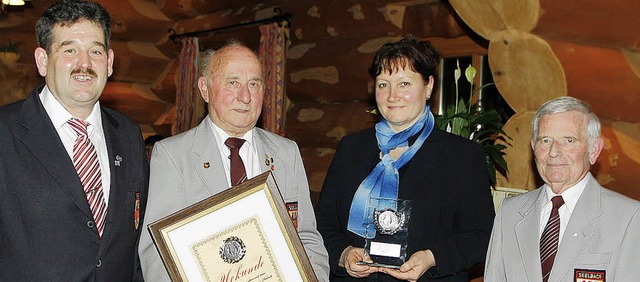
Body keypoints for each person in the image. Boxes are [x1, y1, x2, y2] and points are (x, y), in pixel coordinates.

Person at [138, 40, 330, 281]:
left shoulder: (286, 153)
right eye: (233, 83)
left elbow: (306, 237)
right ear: (205, 89)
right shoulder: (172, 156)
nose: (246, 97)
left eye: (254, 84)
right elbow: (157, 252)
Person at [315, 35, 496, 281]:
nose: (392, 95)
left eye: (404, 84)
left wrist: (432, 258)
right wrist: (343, 253)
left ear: (429, 86)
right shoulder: (351, 148)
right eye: (383, 84)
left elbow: (481, 235)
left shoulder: (462, 155)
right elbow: (323, 222)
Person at [0, 0, 149, 280]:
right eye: (70, 50)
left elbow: (131, 248)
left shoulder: (128, 134)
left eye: (96, 51)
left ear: (110, 61)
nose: (85, 63)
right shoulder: (4, 134)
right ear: (42, 61)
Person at [484, 96, 640, 281]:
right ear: (533, 147)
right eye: (545, 141)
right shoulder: (509, 213)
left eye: (569, 141)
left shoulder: (628, 219)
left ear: (594, 150)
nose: (554, 152)